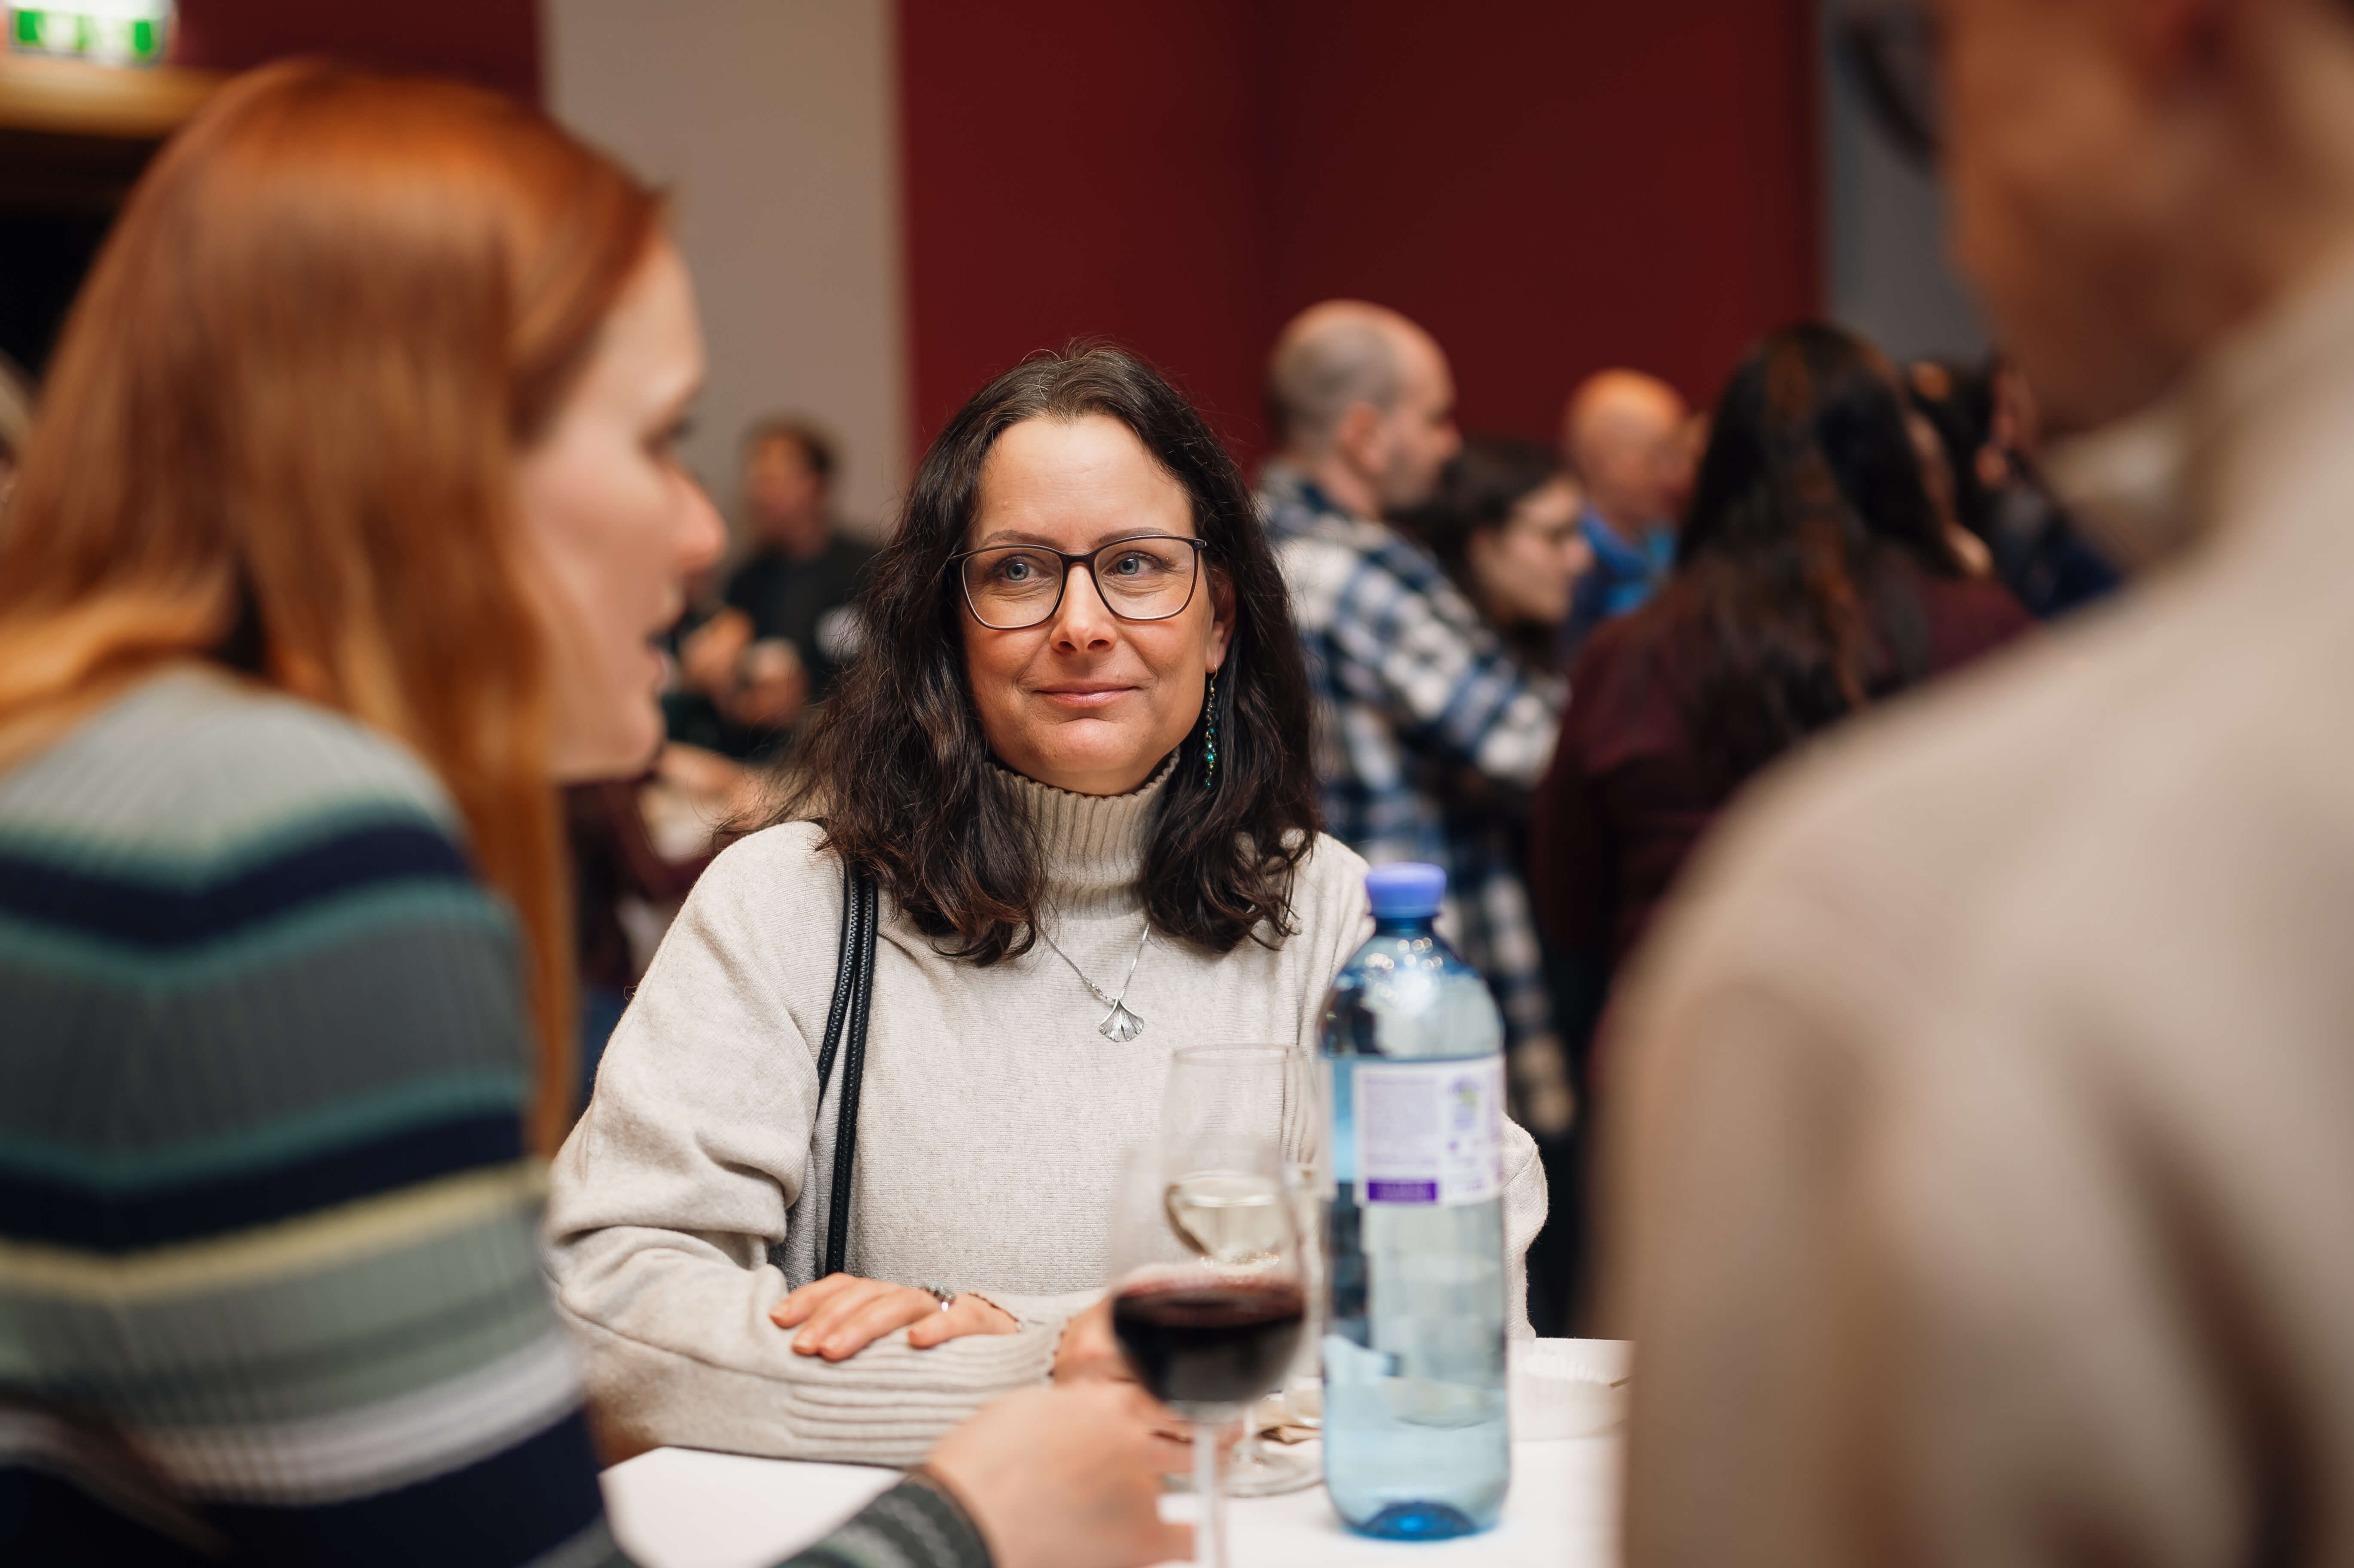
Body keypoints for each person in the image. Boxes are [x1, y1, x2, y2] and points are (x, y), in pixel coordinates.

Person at [0, 64, 1184, 1568]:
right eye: (657, 440)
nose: (698, 532)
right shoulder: (274, 853)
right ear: (423, 455)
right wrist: (974, 1523)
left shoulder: (102, 783)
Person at [1604, 0, 2354, 1560]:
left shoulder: (1899, 946)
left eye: (1935, 63)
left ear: (2156, 32)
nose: (1953, 220)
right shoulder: (1992, 671)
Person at [546, 343, 1549, 1462]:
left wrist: (1034, 1336)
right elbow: (606, 1307)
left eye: (1136, 564)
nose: (1080, 623)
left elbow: (1453, 1284)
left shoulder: (1334, 917)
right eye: (1019, 571)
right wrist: (1020, 1378)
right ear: (948, 621)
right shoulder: (789, 909)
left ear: (1218, 618)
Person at [1257, 300, 1573, 1138]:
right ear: (1365, 436)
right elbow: (1530, 744)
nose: (1449, 443)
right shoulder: (1357, 572)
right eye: (1434, 418)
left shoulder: (1247, 549)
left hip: (1310, 965)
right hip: (1411, 977)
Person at [671, 417, 873, 758]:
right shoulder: (745, 582)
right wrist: (745, 705)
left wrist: (814, 709)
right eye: (756, 480)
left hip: (859, 755)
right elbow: (736, 695)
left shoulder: (871, 568)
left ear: (817, 486)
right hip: (771, 760)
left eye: (774, 480)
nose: (761, 495)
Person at [1909, 354, 2122, 616]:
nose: (2002, 429)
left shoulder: (2070, 510)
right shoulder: (2025, 523)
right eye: (1997, 410)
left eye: (2012, 409)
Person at [1395, 433, 1594, 670]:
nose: (1581, 559)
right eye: (1555, 536)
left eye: (1579, 533)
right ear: (1484, 546)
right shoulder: (1429, 648)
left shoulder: (1526, 642)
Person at [1558, 368, 1689, 655]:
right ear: (1603, 456)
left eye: (1679, 455)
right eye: (1659, 455)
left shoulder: (1670, 540)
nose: (1677, 475)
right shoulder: (1567, 556)